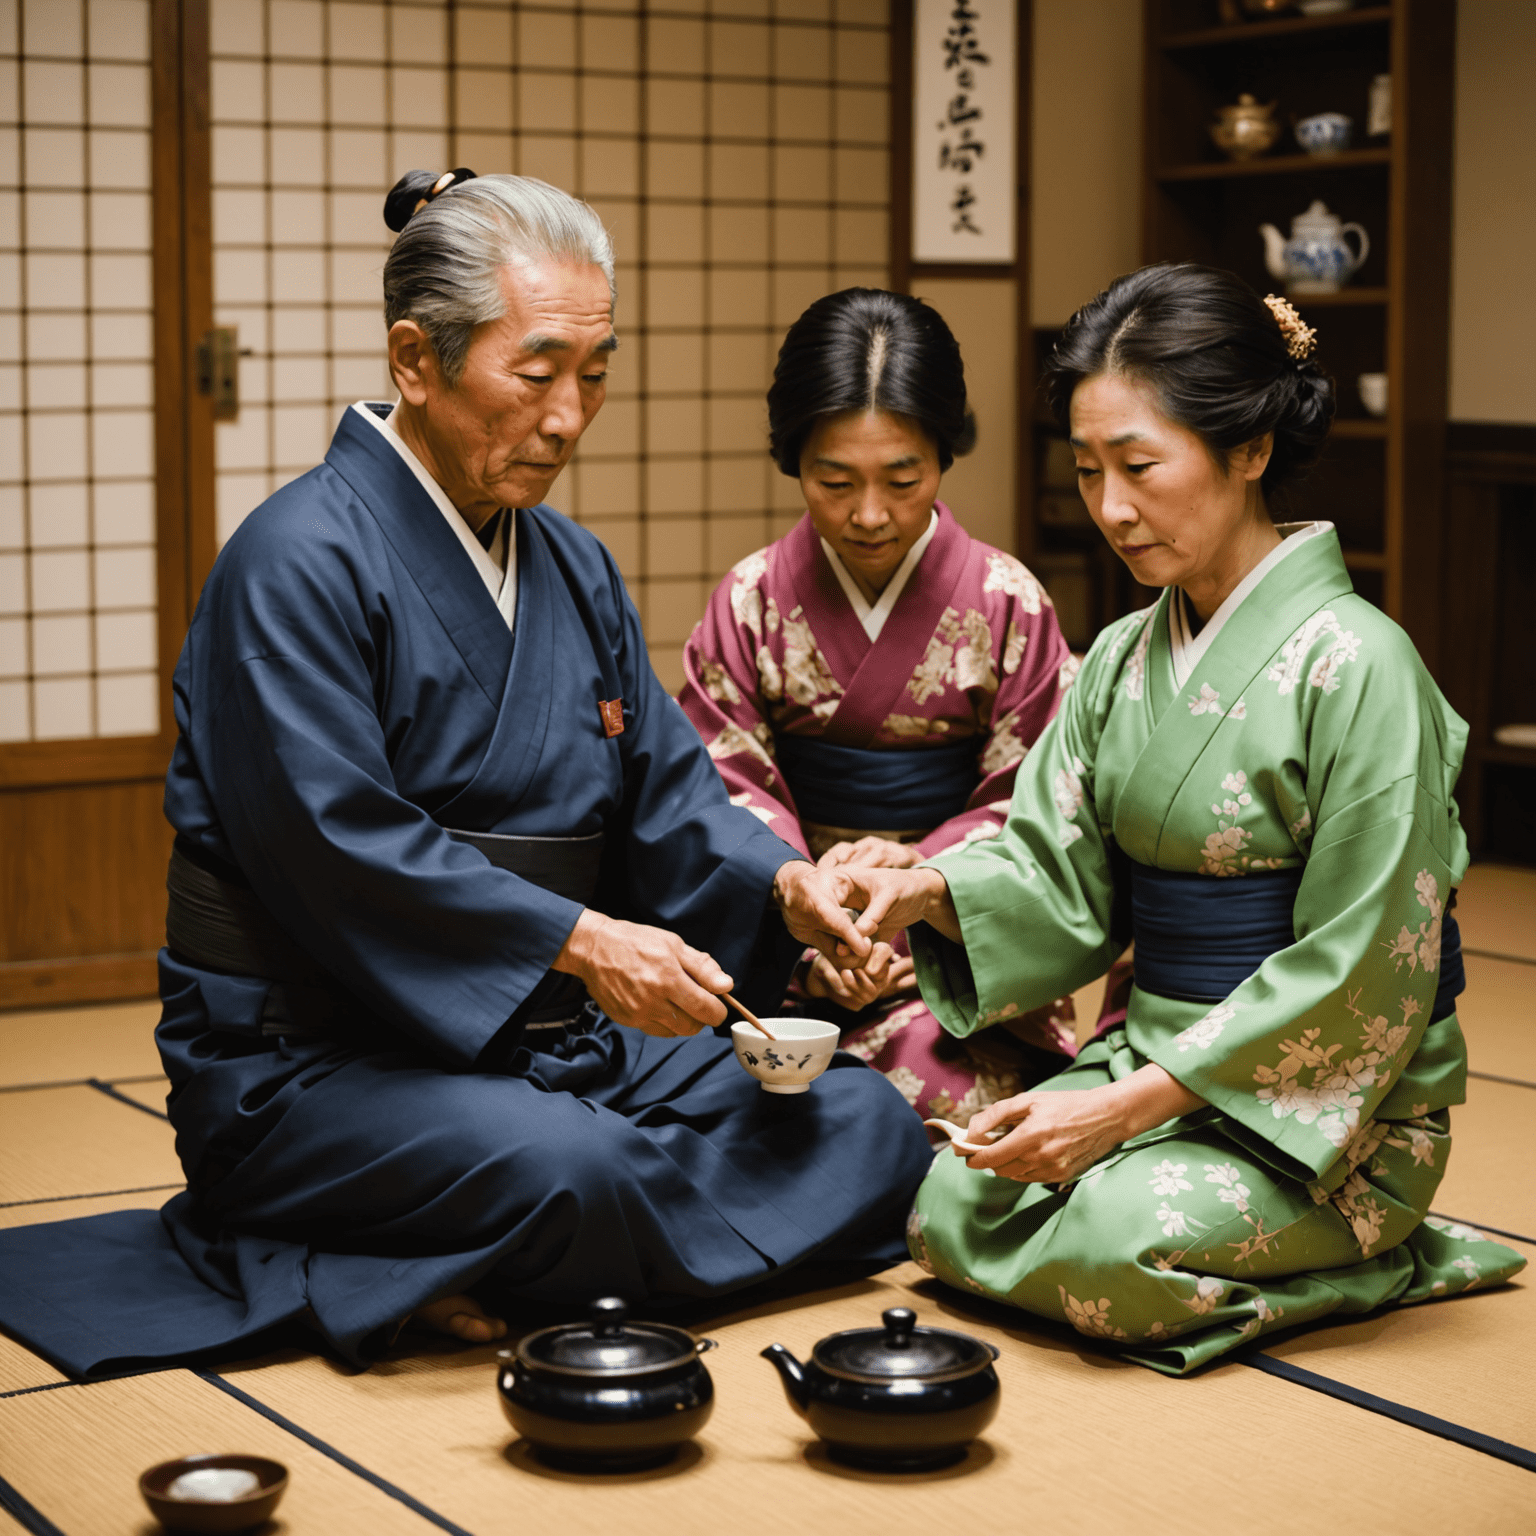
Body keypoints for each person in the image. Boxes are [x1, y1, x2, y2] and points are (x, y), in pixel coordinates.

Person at [0, 171, 931, 1378]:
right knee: (576, 1168)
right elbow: (340, 852)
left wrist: (787, 888)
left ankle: (453, 1259)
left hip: (545, 1051)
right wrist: (589, 944)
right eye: (535, 373)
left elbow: (668, 799)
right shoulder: (293, 565)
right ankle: (350, 1245)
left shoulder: (575, 569)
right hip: (319, 1063)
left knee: (862, 1121)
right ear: (414, 359)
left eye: (593, 375)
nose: (568, 417)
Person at [819, 264, 1526, 1374]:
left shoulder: (1363, 669)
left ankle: (1391, 1253)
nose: (1110, 509)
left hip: (1333, 1119)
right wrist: (929, 888)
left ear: (1248, 451)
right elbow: (1060, 877)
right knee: (951, 1199)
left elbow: (1364, 967)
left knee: (1110, 1247)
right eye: (1090, 470)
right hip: (1148, 1063)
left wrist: (1119, 1115)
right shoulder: (1118, 662)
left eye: (1141, 467)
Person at [678, 289, 1078, 1125]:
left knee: (948, 1099)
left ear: (944, 452)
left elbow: (1034, 801)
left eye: (903, 478)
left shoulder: (1008, 603)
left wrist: (917, 912)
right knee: (705, 1092)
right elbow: (721, 789)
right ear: (794, 461)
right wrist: (807, 919)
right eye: (835, 480)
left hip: (949, 964)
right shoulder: (750, 601)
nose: (869, 514)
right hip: (790, 954)